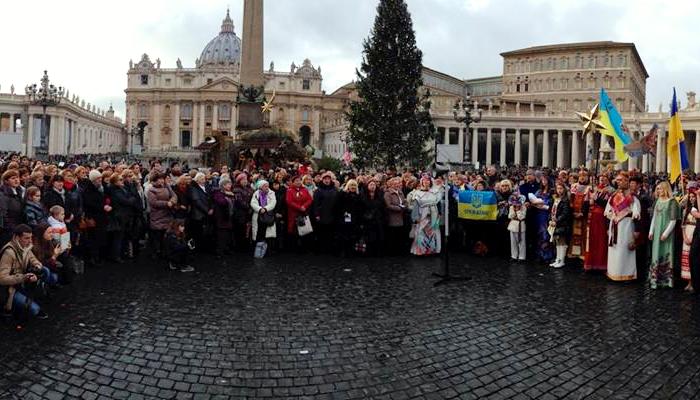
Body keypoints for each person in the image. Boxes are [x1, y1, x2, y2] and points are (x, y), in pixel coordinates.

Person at [0, 224, 56, 319]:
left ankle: (41, 292)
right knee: (35, 310)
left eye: (31, 238)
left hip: (21, 282)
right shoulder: (9, 253)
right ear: (17, 237)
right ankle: (8, 307)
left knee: (45, 270)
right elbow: (2, 278)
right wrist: (24, 277)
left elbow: (33, 259)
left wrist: (37, 267)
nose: (30, 241)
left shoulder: (25, 247)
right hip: (10, 289)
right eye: (26, 238)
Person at [605, 172, 641, 282]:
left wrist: (636, 232)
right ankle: (613, 272)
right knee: (614, 250)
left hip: (627, 226)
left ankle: (627, 274)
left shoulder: (633, 198)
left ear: (627, 181)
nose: (618, 182)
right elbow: (607, 211)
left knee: (625, 250)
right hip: (614, 226)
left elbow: (637, 215)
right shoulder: (613, 196)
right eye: (617, 180)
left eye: (621, 180)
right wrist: (610, 223)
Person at [648, 181, 679, 289]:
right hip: (657, 232)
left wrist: (666, 233)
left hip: (666, 232)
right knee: (656, 253)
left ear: (665, 189)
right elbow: (654, 218)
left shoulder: (672, 202)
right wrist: (651, 231)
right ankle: (655, 278)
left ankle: (666, 280)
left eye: (660, 188)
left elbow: (673, 220)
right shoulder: (657, 201)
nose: (658, 191)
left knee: (666, 252)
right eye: (657, 189)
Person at [584, 174, 614, 272]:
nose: (602, 180)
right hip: (592, 216)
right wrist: (588, 199)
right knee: (592, 240)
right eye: (601, 178)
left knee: (601, 240)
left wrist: (595, 198)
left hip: (602, 217)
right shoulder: (594, 188)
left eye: (605, 178)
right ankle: (591, 263)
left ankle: (601, 263)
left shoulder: (611, 191)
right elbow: (587, 202)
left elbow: (607, 204)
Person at [81, 169, 110, 267]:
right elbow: (89, 203)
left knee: (101, 238)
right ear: (93, 180)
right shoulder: (88, 189)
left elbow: (107, 197)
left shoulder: (103, 187)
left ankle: (100, 257)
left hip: (102, 217)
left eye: (100, 179)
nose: (100, 181)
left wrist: (107, 204)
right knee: (94, 239)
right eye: (97, 179)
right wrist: (102, 206)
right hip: (93, 217)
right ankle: (94, 258)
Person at [408, 175, 441, 256]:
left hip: (433, 215)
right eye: (424, 181)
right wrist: (415, 217)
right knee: (421, 232)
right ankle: (421, 251)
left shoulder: (435, 192)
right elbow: (415, 206)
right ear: (421, 182)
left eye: (427, 181)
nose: (426, 182)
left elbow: (438, 204)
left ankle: (432, 250)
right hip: (422, 214)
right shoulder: (417, 193)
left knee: (432, 232)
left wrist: (439, 214)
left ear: (430, 182)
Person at [146, 173, 177, 259]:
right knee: (157, 236)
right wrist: (167, 203)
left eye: (162, 179)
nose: (162, 180)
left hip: (167, 214)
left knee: (165, 235)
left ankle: (164, 252)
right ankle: (155, 252)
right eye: (159, 179)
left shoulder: (167, 187)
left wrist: (172, 201)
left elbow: (174, 196)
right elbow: (154, 203)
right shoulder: (151, 190)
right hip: (157, 215)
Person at [311, 171, 338, 254]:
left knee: (330, 233)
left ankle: (329, 249)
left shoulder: (334, 189)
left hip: (332, 214)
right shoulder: (318, 190)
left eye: (328, 179)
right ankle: (321, 249)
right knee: (321, 233)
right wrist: (317, 214)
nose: (327, 180)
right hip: (322, 214)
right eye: (325, 179)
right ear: (322, 180)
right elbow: (315, 204)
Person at [336, 179, 364, 256]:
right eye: (351, 185)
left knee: (353, 235)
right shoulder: (342, 194)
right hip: (344, 217)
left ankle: (351, 251)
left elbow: (360, 208)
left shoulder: (358, 196)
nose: (353, 187)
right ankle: (344, 251)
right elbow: (338, 206)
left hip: (355, 218)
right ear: (348, 186)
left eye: (354, 185)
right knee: (344, 234)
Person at [529, 175, 554, 263]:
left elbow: (552, 202)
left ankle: (547, 255)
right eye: (542, 180)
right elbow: (533, 200)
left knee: (545, 234)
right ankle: (539, 254)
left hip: (546, 214)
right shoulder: (539, 191)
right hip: (538, 214)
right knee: (538, 234)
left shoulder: (552, 191)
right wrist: (535, 203)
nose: (543, 181)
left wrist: (545, 205)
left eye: (545, 180)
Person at [285, 175, 313, 253]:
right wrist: (299, 207)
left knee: (304, 230)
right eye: (296, 181)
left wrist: (304, 206)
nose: (298, 182)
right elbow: (289, 201)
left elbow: (309, 199)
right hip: (294, 214)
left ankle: (304, 248)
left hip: (303, 213)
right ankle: (294, 248)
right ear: (293, 182)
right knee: (294, 231)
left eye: (299, 180)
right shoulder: (289, 190)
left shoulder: (304, 189)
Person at [250, 180, 277, 258]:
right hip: (258, 215)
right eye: (265, 186)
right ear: (261, 187)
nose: (267, 187)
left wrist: (265, 209)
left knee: (268, 234)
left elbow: (273, 203)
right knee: (259, 233)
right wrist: (259, 209)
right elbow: (253, 203)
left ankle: (267, 251)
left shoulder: (271, 193)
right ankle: (258, 251)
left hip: (268, 215)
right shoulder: (256, 193)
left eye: (267, 185)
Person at [567, 170, 590, 260]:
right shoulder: (574, 186)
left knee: (583, 233)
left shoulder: (588, 188)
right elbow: (571, 199)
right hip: (574, 212)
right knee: (574, 233)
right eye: (580, 176)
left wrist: (582, 212)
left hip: (583, 213)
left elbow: (587, 201)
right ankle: (574, 252)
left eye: (584, 176)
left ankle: (582, 252)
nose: (582, 177)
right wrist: (572, 211)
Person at [548, 182, 572, 268]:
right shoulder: (555, 199)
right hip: (554, 223)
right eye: (558, 189)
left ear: (564, 189)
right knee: (557, 242)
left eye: (561, 188)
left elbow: (565, 213)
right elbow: (551, 211)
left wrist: (557, 221)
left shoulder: (565, 200)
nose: (559, 190)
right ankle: (557, 259)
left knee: (562, 241)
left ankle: (561, 260)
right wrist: (550, 220)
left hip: (562, 224)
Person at [212, 177, 235, 257]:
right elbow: (222, 202)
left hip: (228, 217)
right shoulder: (218, 193)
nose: (229, 185)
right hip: (221, 217)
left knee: (228, 235)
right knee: (221, 236)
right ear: (223, 185)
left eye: (230, 184)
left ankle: (226, 249)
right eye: (227, 184)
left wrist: (231, 196)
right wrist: (227, 195)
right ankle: (219, 252)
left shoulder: (231, 193)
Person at [384, 177, 407, 255]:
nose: (397, 185)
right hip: (392, 217)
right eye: (395, 184)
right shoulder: (387, 193)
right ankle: (392, 252)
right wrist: (399, 208)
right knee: (392, 235)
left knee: (399, 235)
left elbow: (404, 201)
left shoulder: (400, 192)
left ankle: (399, 251)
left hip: (400, 217)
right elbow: (388, 205)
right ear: (391, 185)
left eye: (398, 183)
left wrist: (404, 206)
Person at [0, 170, 24, 246]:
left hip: (18, 227)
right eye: (13, 178)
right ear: (6, 181)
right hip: (9, 231)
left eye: (17, 178)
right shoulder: (3, 195)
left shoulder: (18, 192)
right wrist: (12, 229)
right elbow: (4, 215)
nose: (16, 180)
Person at [681, 190, 697, 292]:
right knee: (686, 258)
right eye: (690, 197)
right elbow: (682, 225)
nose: (691, 198)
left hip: (695, 235)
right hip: (686, 234)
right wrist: (685, 237)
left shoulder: (697, 210)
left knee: (694, 258)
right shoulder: (686, 210)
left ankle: (694, 282)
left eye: (693, 197)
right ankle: (689, 282)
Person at [507, 192, 527, 261]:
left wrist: (518, 210)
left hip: (520, 226)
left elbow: (521, 217)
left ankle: (522, 257)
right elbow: (510, 216)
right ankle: (514, 256)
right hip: (512, 225)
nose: (516, 204)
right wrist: (513, 210)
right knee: (513, 242)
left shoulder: (523, 207)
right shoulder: (511, 207)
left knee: (521, 242)